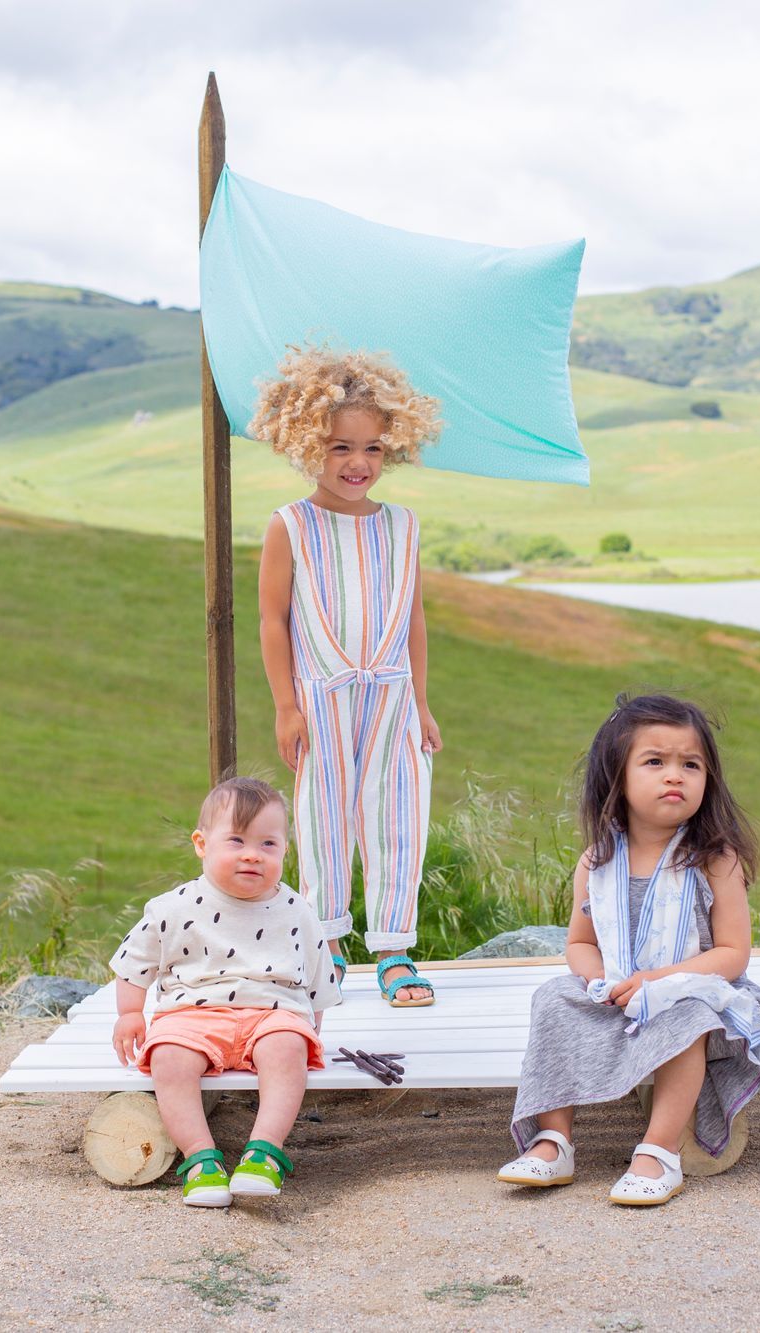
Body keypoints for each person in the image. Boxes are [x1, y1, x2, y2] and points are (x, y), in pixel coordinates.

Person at [497, 694, 760, 1207]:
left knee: (689, 1014)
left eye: (690, 765)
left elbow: (733, 954)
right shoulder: (599, 860)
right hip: (618, 990)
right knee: (554, 998)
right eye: (655, 762)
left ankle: (658, 1150)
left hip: (694, 993)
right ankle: (552, 1140)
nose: (675, 776)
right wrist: (597, 982)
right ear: (616, 777)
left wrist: (659, 981)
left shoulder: (714, 860)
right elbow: (581, 944)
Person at [253, 345, 445, 1007]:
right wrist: (286, 704)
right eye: (339, 448)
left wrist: (421, 702)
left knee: (398, 818)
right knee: (323, 818)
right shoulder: (291, 527)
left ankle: (394, 949)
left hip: (392, 698)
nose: (358, 464)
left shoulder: (403, 527)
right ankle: (327, 946)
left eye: (372, 449)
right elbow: (273, 621)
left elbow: (412, 618)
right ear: (307, 444)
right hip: (323, 700)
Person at [109, 776, 338, 1207]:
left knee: (288, 1047)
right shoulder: (173, 907)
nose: (252, 854)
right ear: (202, 843)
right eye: (236, 841)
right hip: (191, 1013)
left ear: (284, 850)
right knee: (169, 1058)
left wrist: (309, 1027)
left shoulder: (297, 909)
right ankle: (200, 1160)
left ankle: (263, 1153)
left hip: (272, 1011)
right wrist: (130, 1013)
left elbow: (317, 975)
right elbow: (133, 961)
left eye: (268, 844)